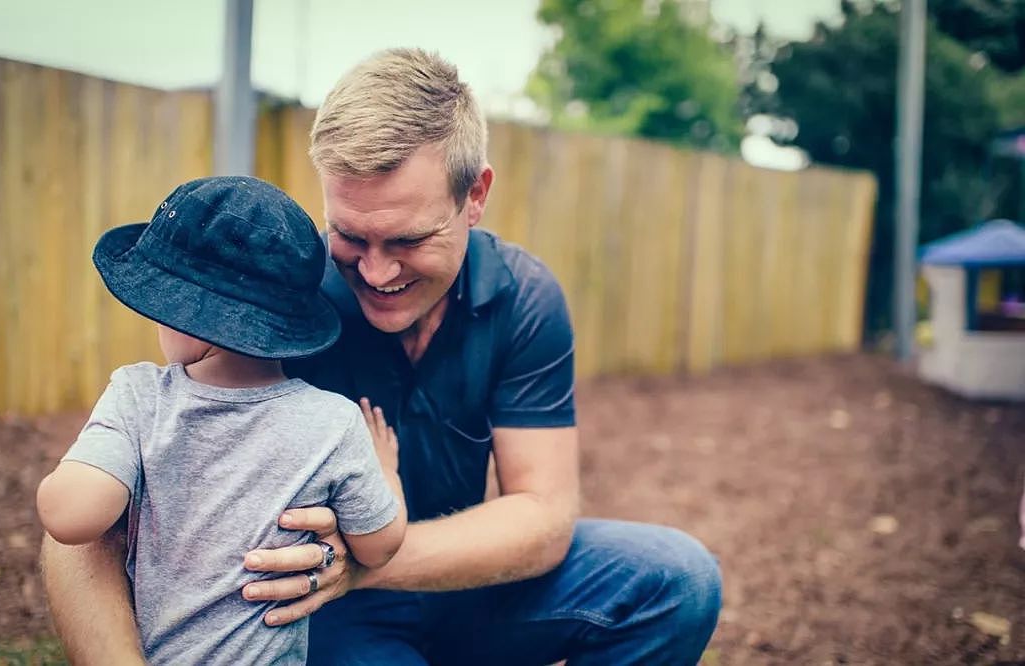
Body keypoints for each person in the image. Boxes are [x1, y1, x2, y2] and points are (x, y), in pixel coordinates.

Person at [41, 49, 722, 665]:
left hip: (456, 582)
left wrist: (358, 561)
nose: (374, 270)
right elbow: (102, 513)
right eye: (350, 234)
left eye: (405, 239)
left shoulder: (524, 298)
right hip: (321, 618)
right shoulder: (280, 298)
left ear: (475, 195)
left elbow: (542, 520)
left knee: (677, 581)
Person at [36, 176, 406, 664]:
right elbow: (378, 547)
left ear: (183, 316)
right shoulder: (334, 422)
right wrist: (388, 475)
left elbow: (69, 517)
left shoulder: (140, 396)